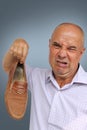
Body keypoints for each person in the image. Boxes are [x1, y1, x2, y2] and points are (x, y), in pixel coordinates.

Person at [3, 22, 87, 130]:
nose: (62, 54)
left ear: (81, 52)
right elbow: (10, 67)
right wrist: (17, 46)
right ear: (49, 45)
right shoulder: (37, 77)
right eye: (56, 45)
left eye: (71, 48)